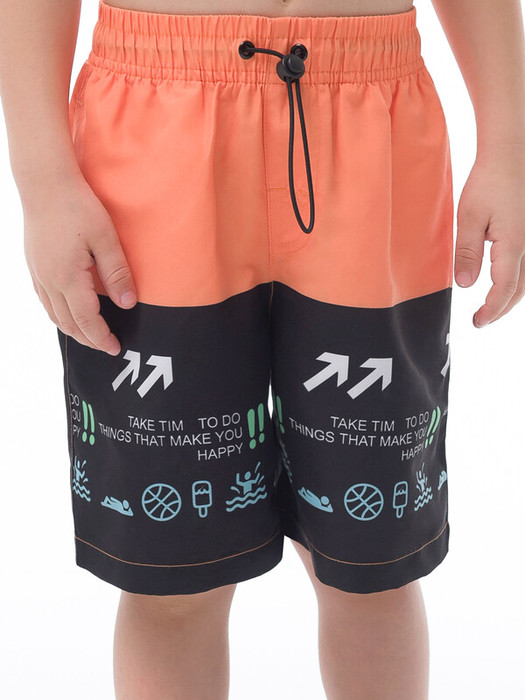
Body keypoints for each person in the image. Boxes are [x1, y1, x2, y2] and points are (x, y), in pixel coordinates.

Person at [1, 0, 524, 698]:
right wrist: (42, 177)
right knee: (173, 577)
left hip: (374, 127)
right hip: (153, 129)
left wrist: (509, 145)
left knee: (370, 567)